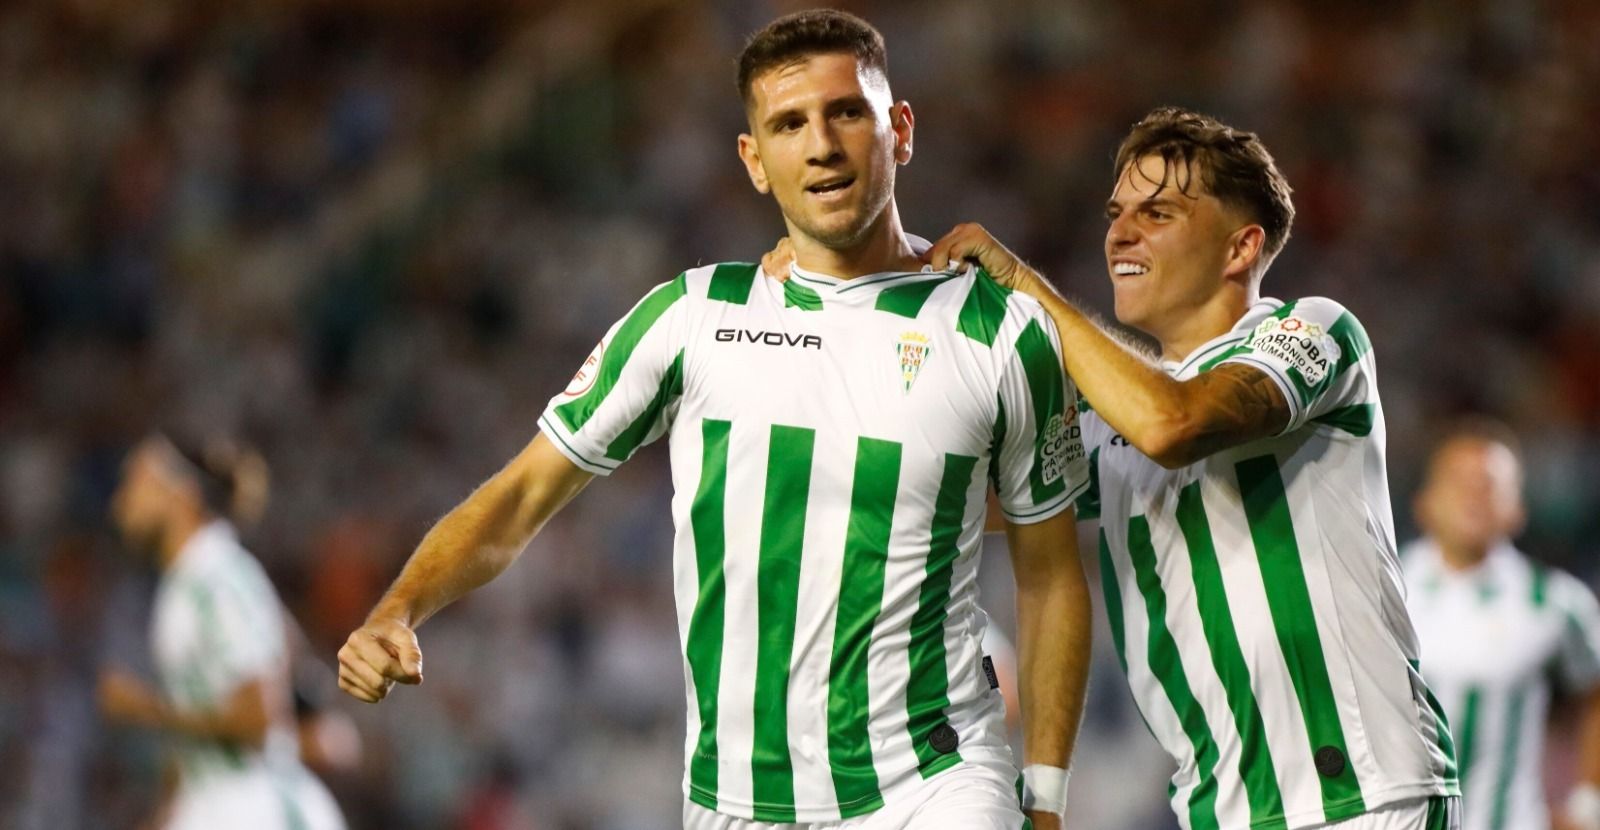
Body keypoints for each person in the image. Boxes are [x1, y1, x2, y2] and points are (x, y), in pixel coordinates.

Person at [336, 10, 1093, 830]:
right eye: (788, 124)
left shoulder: (999, 329)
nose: (821, 145)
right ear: (754, 160)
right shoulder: (692, 317)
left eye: (846, 112)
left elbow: (1051, 575)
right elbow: (520, 498)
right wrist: (396, 609)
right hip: (737, 797)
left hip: (934, 783)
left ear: (900, 130)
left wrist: (1046, 797)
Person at [831, 106, 1462, 829]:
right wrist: (861, 322)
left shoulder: (1313, 330)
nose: (1121, 232)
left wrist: (1028, 293)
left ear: (1240, 247)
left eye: (1157, 213)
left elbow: (1175, 423)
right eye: (1116, 213)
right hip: (1220, 810)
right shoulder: (1109, 423)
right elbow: (949, 498)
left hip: (1363, 797)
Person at [100, 433, 346, 830]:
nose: (121, 501)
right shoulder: (188, 583)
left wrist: (144, 707)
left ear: (181, 493)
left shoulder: (218, 578)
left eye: (138, 481)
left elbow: (259, 718)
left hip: (257, 809)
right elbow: (200, 733)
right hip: (217, 805)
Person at [1402, 419, 1600, 830]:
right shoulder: (1383, 589)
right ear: (1424, 503)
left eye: (1489, 485)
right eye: (1460, 482)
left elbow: (1593, 692)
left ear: (1518, 509)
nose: (1474, 496)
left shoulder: (1555, 602)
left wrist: (1587, 801)